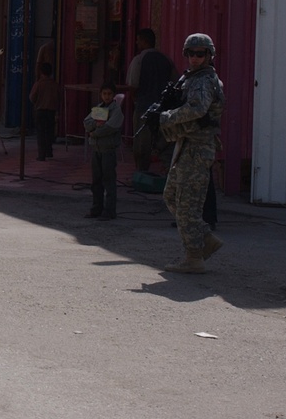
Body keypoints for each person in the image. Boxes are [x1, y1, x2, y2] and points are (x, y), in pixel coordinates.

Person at [161, 33, 225, 273]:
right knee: (171, 196)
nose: (195, 59)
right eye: (191, 54)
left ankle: (194, 257)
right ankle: (204, 238)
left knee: (188, 206)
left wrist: (167, 117)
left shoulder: (203, 81)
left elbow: (197, 109)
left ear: (209, 56)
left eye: (200, 54)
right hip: (187, 146)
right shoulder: (193, 78)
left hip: (198, 148)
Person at [126, 28, 176, 172]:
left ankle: (141, 173)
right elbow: (177, 83)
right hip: (164, 110)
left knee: (142, 144)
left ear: (143, 41)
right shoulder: (166, 60)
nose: (136, 43)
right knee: (165, 142)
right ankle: (167, 173)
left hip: (144, 108)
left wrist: (136, 101)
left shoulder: (139, 60)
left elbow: (133, 85)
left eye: (138, 40)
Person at [83, 81, 124, 221]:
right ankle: (96, 208)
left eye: (109, 94)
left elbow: (110, 127)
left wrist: (95, 132)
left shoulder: (116, 110)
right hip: (96, 149)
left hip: (108, 149)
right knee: (96, 182)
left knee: (109, 181)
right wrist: (96, 124)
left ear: (113, 95)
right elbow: (87, 123)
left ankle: (110, 211)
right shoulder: (99, 108)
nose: (106, 97)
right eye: (104, 94)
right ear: (101, 95)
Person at [29, 61, 60, 161]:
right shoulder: (55, 84)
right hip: (51, 111)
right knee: (49, 132)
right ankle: (49, 151)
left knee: (41, 133)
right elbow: (59, 98)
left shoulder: (38, 84)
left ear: (41, 72)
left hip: (40, 111)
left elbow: (32, 97)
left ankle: (41, 154)